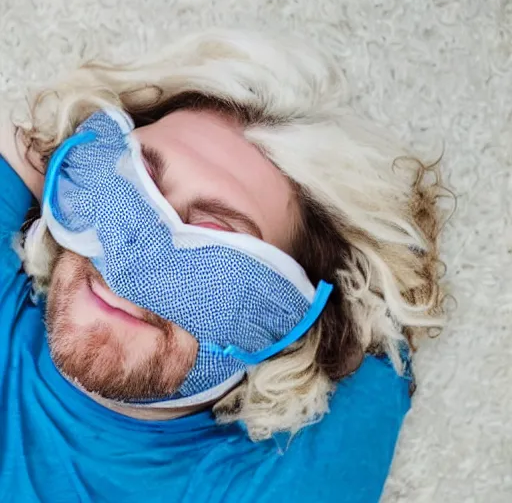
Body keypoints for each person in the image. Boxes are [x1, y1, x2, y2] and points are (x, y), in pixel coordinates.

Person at [0, 29, 444, 503]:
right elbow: (35, 146)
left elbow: (384, 323)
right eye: (132, 184)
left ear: (292, 327)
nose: (126, 261)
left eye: (217, 243)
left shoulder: (283, 485)